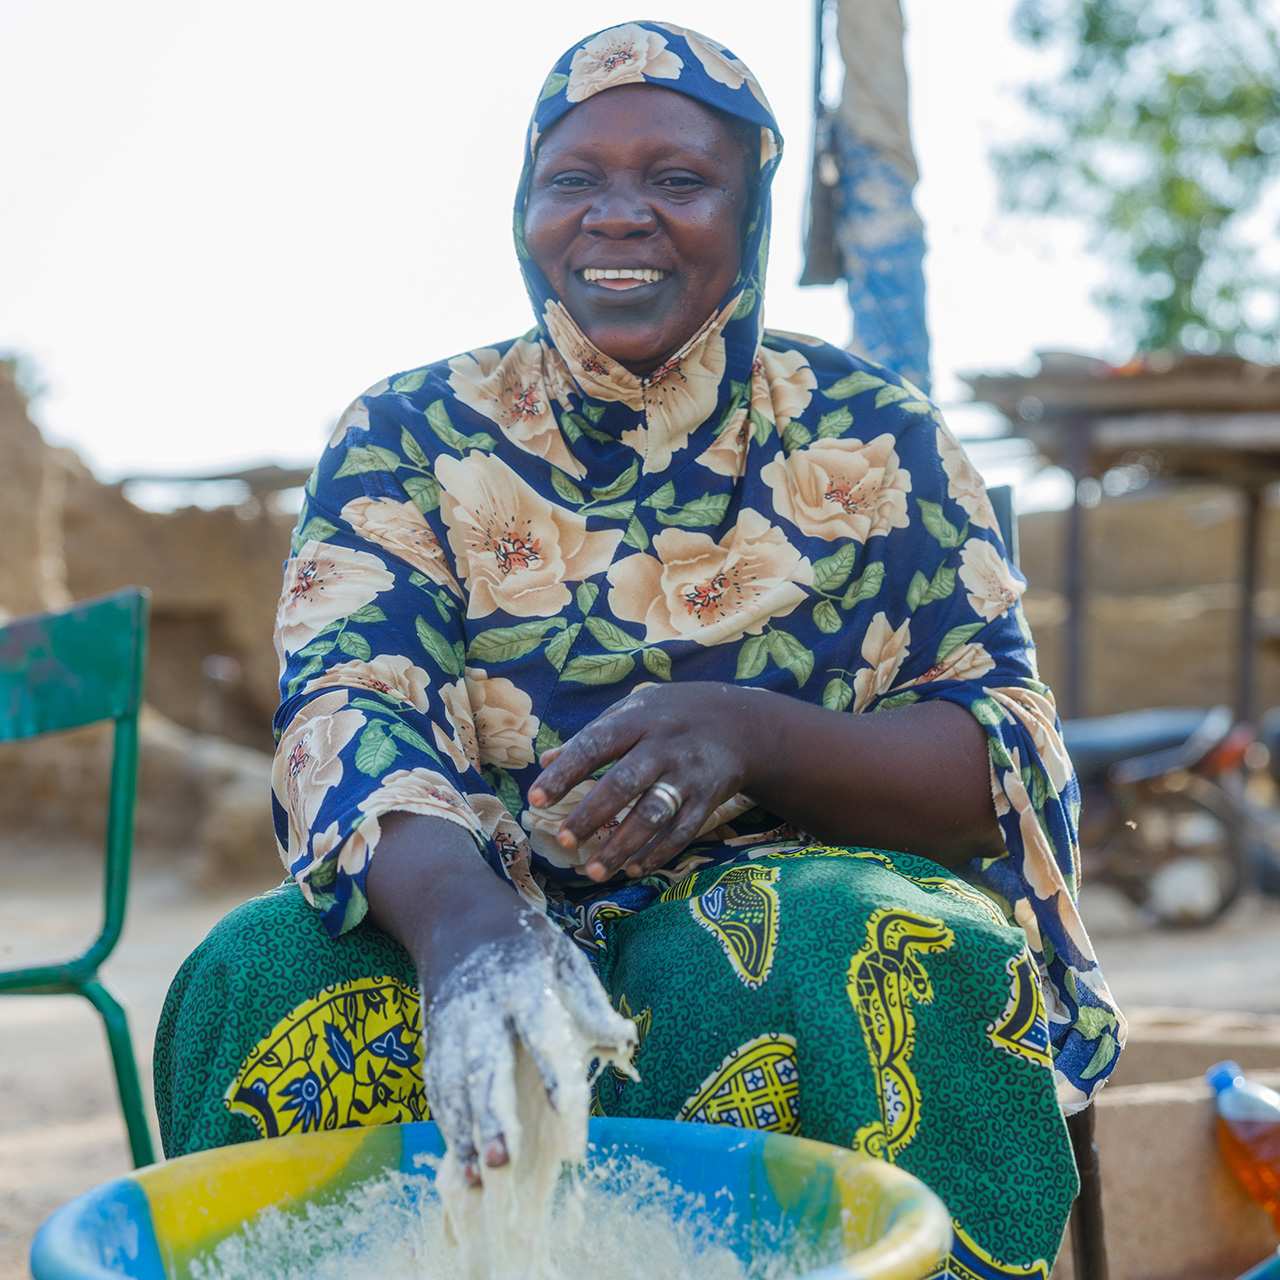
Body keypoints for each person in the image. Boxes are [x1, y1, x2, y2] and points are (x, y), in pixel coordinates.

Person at [155, 22, 1125, 1277]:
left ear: (751, 209)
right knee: (258, 970)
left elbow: (995, 765)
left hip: (796, 905)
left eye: (676, 179)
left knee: (893, 951)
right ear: (524, 208)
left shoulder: (873, 439)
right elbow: (348, 707)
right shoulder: (411, 434)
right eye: (575, 180)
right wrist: (467, 931)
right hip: (478, 901)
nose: (617, 216)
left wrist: (751, 734)